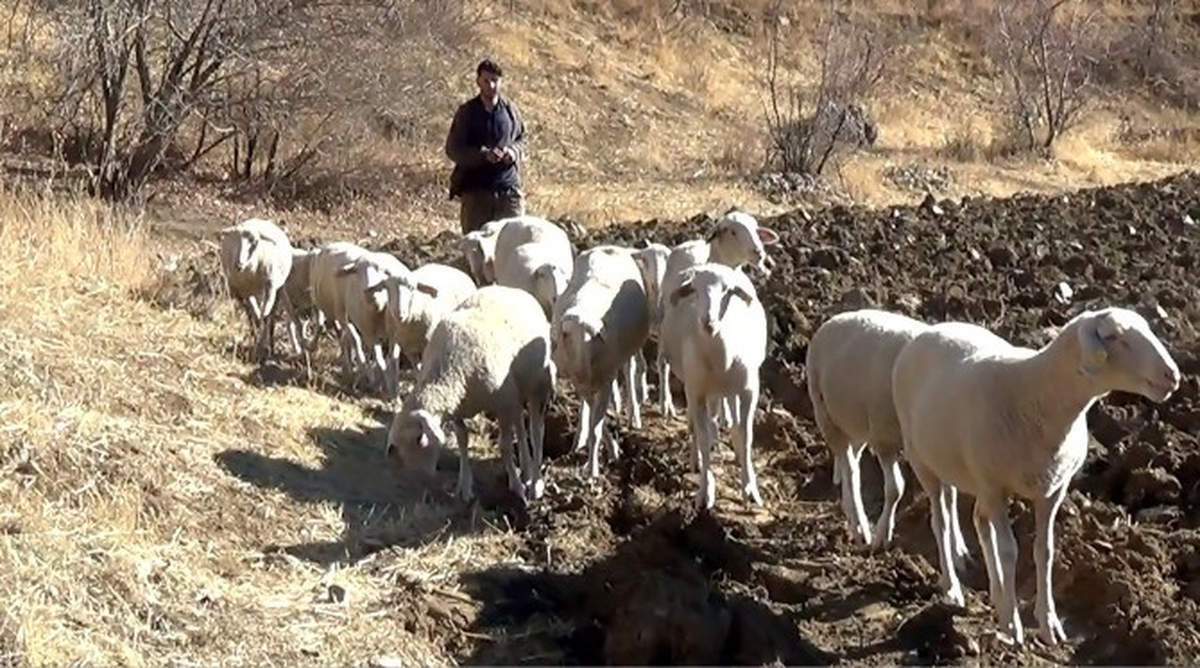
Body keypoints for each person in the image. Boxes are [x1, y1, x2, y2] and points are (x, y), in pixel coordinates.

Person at [444, 58, 528, 235]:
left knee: (512, 244)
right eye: (486, 80)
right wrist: (483, 155)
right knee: (476, 248)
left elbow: (523, 139)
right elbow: (453, 149)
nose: (491, 85)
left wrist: (512, 152)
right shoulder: (467, 112)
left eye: (495, 80)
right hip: (476, 193)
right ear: (478, 81)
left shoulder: (510, 111)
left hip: (508, 191)